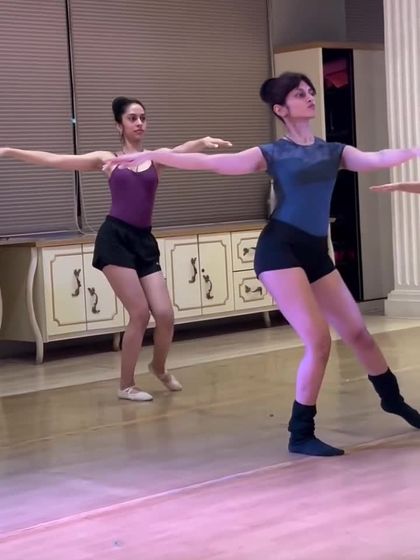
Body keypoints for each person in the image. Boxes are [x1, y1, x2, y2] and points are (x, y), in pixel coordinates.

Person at [106, 75, 420, 455]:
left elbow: (377, 158)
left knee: (359, 333)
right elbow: (215, 163)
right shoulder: (272, 153)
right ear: (280, 109)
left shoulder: (334, 151)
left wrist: (413, 150)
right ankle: (300, 433)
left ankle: (392, 400)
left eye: (311, 92)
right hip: (279, 251)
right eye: (300, 94)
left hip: (314, 251)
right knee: (319, 341)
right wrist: (155, 156)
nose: (310, 97)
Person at [0, 96, 232, 402]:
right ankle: (126, 385)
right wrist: (10, 151)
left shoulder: (155, 159)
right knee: (140, 313)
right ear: (119, 125)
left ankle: (158, 367)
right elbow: (55, 160)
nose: (139, 123)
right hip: (115, 239)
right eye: (132, 118)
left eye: (143, 118)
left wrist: (202, 141)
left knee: (165, 315)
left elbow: (181, 150)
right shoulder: (107, 159)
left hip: (143, 241)